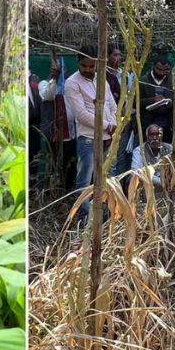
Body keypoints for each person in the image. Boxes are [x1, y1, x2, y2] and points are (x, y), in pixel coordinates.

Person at [64, 44, 117, 222]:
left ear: (97, 64)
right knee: (85, 181)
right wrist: (107, 125)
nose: (88, 69)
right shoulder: (72, 83)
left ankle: (104, 216)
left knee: (105, 178)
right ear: (78, 63)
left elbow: (112, 105)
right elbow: (82, 115)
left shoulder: (102, 80)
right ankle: (84, 219)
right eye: (84, 66)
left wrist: (114, 123)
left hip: (107, 137)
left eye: (91, 66)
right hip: (88, 138)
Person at [39, 57, 77, 193]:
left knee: (70, 164)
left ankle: (67, 190)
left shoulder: (70, 85)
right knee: (54, 164)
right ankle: (54, 191)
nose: (61, 71)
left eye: (63, 69)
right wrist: (55, 80)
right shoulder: (44, 84)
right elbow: (47, 96)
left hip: (70, 133)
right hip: (53, 135)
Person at [140, 55, 175, 144]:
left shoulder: (173, 81)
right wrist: (153, 100)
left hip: (168, 125)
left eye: (165, 70)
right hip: (149, 125)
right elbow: (135, 103)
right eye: (159, 69)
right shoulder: (143, 81)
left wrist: (171, 104)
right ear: (153, 67)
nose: (162, 73)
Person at [131, 124, 173, 189]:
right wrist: (160, 182)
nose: (155, 138)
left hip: (168, 186)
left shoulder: (169, 148)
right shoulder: (139, 150)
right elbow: (136, 171)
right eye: (152, 135)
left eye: (157, 134)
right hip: (148, 187)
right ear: (147, 136)